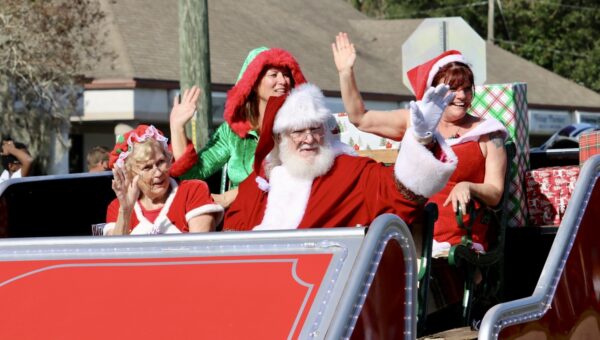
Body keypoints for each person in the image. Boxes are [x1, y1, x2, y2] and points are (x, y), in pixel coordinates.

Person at [331, 32, 507, 255]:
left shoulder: (488, 133)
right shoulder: (415, 121)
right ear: (433, 90)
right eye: (452, 89)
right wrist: (346, 72)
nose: (462, 96)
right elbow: (360, 118)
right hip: (411, 226)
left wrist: (469, 186)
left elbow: (495, 192)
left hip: (460, 236)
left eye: (467, 88)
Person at [223, 83, 457, 230]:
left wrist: (422, 140)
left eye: (315, 129)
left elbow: (402, 195)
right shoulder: (261, 186)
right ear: (280, 138)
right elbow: (232, 239)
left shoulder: (352, 172)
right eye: (298, 131)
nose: (309, 138)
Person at [169, 47, 307, 208]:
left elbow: (292, 178)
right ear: (253, 82)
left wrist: (229, 197)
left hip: (285, 215)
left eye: (286, 75)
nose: (283, 81)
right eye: (274, 74)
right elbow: (193, 173)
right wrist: (177, 127)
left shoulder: (301, 128)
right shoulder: (232, 132)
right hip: (240, 222)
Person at [103, 124, 223, 235]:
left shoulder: (192, 191)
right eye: (147, 167)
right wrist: (126, 211)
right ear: (130, 174)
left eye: (161, 162)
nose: (158, 172)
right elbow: (114, 253)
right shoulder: (118, 207)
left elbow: (201, 249)